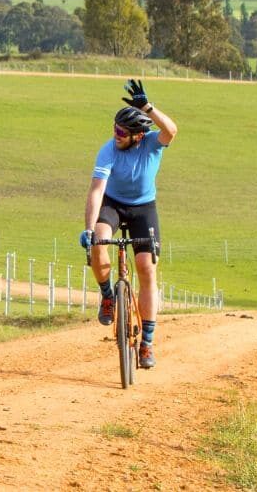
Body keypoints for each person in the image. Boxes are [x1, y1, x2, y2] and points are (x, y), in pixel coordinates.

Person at [80, 79, 177, 369]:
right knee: (99, 237)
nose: (116, 134)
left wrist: (147, 107)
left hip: (143, 208)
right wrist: (88, 229)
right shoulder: (108, 150)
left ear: (138, 136)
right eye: (114, 128)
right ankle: (108, 296)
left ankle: (146, 343)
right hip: (114, 204)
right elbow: (97, 190)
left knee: (147, 269)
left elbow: (171, 130)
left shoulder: (151, 145)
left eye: (122, 131)